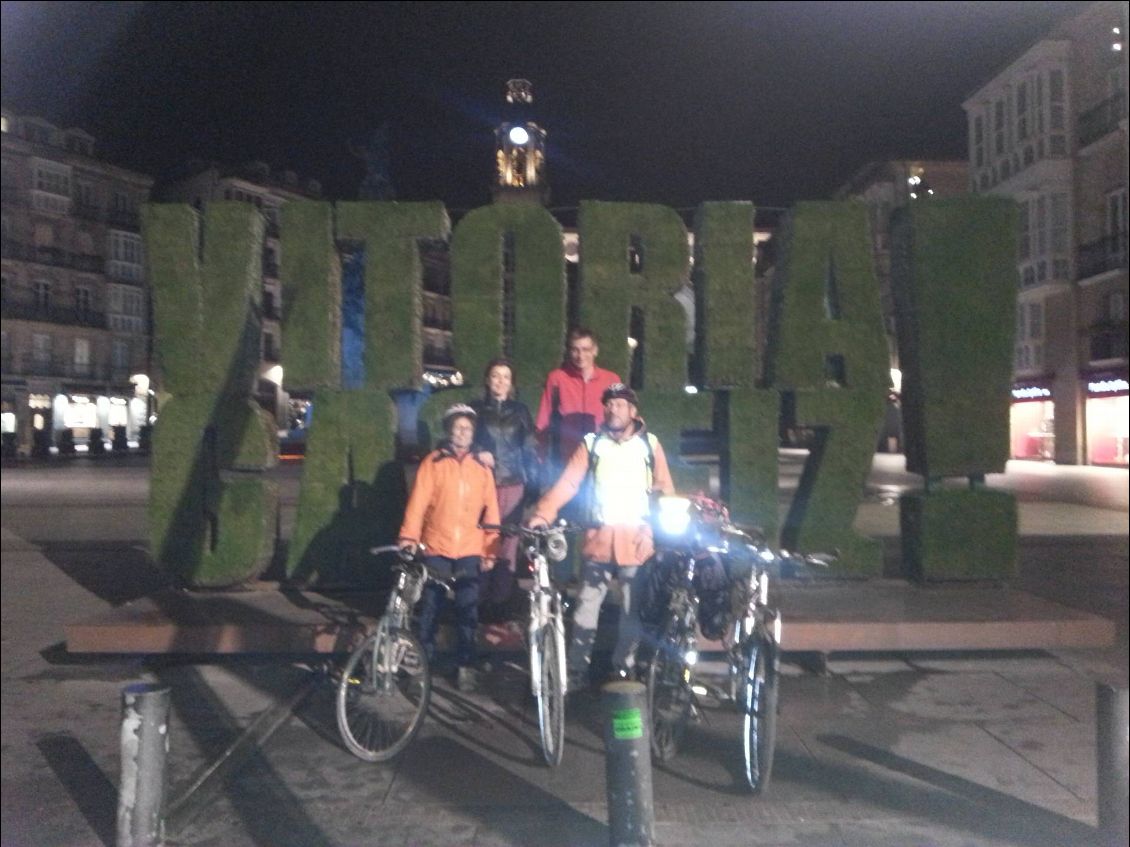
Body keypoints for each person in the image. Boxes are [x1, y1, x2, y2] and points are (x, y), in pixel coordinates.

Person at [527, 383, 675, 692]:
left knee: (632, 612)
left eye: (620, 405)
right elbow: (568, 483)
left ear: (633, 412)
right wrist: (543, 514)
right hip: (598, 540)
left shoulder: (650, 445)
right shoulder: (592, 444)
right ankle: (576, 670)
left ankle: (623, 669)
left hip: (637, 542)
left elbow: (664, 491)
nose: (612, 409)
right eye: (608, 404)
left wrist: (653, 531)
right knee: (585, 610)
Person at [398, 404, 500, 693]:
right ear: (448, 431)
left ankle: (465, 665)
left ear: (473, 433)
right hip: (437, 545)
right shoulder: (433, 462)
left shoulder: (482, 467)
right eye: (457, 427)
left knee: (468, 610)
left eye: (467, 428)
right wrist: (408, 536)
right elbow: (417, 503)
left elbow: (491, 511)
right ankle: (422, 664)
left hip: (470, 547)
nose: (462, 432)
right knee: (430, 606)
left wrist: (490, 550)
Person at [469, 358, 538, 621]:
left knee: (509, 542)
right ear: (488, 380)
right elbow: (465, 439)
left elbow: (530, 448)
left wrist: (533, 484)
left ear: (511, 383)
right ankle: (478, 597)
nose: (500, 381)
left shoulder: (520, 411)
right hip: (484, 483)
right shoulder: (475, 410)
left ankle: (501, 600)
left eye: (506, 377)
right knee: (484, 539)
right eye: (495, 376)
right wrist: (478, 451)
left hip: (513, 482)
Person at [535, 327, 623, 472]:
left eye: (586, 349)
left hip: (603, 456)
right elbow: (543, 420)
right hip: (567, 458)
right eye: (575, 350)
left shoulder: (611, 379)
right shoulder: (557, 378)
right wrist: (540, 458)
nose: (580, 355)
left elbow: (623, 417)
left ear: (595, 351)